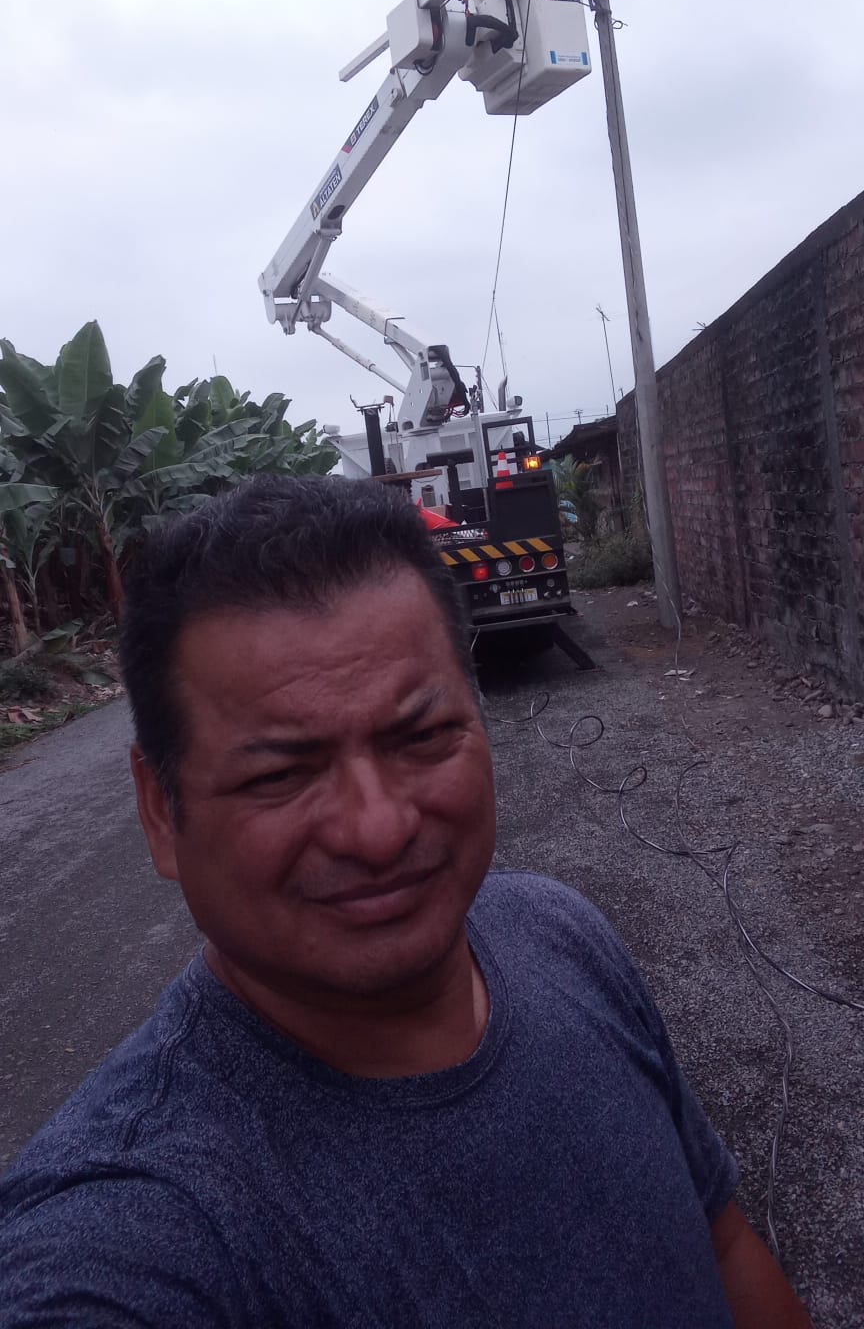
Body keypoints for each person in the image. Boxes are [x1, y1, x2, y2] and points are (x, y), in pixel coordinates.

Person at [0, 476, 811, 1328]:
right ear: (161, 810)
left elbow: (722, 1242)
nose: (379, 830)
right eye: (280, 775)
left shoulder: (562, 932)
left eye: (422, 736)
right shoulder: (133, 1224)